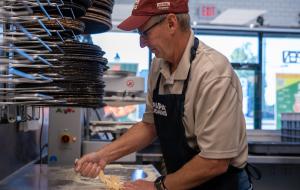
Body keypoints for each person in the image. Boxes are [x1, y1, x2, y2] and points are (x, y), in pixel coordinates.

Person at [75, 0, 252, 189]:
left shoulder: (213, 73)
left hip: (220, 185)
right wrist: (103, 156)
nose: (142, 44)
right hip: (179, 182)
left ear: (171, 23)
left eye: (144, 33)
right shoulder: (158, 66)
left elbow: (215, 162)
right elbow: (150, 126)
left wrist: (157, 187)